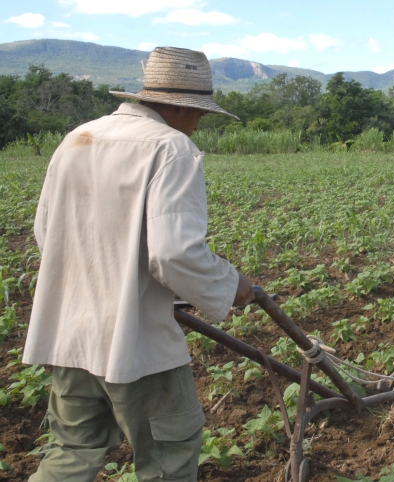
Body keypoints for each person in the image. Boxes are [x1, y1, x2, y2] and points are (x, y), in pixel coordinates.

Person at [22, 47, 255, 481]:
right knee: (170, 456)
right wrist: (232, 285)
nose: (199, 123)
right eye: (199, 113)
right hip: (137, 347)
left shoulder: (77, 138)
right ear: (179, 105)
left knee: (72, 450)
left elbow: (46, 232)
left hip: (69, 336)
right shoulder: (172, 148)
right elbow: (173, 253)